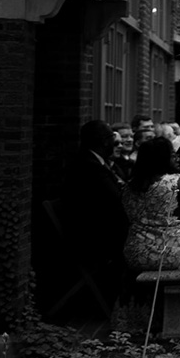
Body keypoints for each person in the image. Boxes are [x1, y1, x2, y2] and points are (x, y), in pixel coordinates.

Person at [55, 120, 131, 316]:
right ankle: (128, 306)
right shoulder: (89, 166)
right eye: (111, 140)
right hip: (90, 239)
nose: (115, 145)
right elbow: (115, 198)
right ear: (104, 142)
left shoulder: (95, 163)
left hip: (96, 231)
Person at [122, 137, 180, 271]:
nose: (177, 159)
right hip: (178, 253)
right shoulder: (176, 181)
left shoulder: (128, 186)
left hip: (138, 253)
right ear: (163, 159)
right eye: (173, 155)